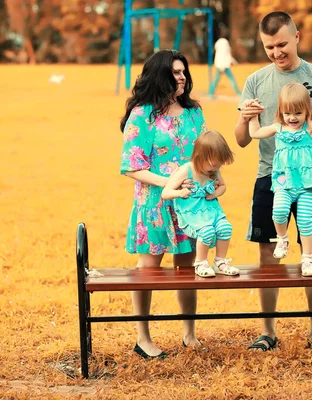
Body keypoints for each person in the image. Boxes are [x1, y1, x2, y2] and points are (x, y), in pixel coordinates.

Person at [234, 11, 312, 351]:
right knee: (268, 257)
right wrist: (244, 120)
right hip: (270, 177)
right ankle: (268, 332)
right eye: (269, 46)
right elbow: (243, 140)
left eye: (282, 44)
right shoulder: (255, 81)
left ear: (298, 36)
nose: (277, 52)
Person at [120, 49, 207, 359]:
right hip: (153, 207)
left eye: (183, 71)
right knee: (148, 270)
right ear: (160, 76)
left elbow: (205, 155)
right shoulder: (142, 115)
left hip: (190, 205)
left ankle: (190, 334)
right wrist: (169, 182)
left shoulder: (194, 112)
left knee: (187, 268)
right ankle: (143, 338)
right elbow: (132, 166)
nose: (181, 76)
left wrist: (210, 182)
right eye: (174, 72)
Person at [247, 82, 312, 277]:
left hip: (307, 184)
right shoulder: (278, 129)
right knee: (279, 212)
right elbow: (255, 133)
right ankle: (282, 239)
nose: (292, 118)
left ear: (307, 111)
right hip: (284, 183)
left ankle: (307, 259)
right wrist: (252, 115)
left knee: (306, 222)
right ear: (280, 111)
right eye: (287, 113)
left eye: (298, 113)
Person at [162, 131, 239, 278]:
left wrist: (214, 194)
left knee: (225, 228)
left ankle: (220, 262)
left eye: (218, 165)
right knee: (207, 231)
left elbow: (223, 186)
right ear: (199, 157)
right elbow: (165, 193)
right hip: (191, 214)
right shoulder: (186, 170)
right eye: (212, 165)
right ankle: (200, 262)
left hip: (211, 210)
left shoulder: (213, 171)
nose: (215, 169)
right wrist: (180, 193)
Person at [208, 27, 242, 97]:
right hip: (224, 65)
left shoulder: (218, 42)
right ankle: (237, 92)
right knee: (231, 78)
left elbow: (219, 53)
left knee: (217, 79)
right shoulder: (225, 42)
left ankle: (211, 93)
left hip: (219, 64)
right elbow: (225, 53)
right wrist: (231, 61)